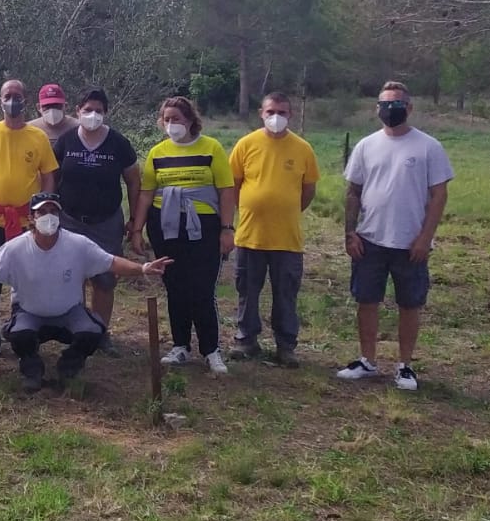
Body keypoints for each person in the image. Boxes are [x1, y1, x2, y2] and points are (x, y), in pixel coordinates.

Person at [0, 193, 172, 391]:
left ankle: (69, 366)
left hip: (69, 312)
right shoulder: (15, 248)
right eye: (42, 212)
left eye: (53, 211)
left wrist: (143, 268)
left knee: (93, 331)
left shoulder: (78, 244)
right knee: (20, 335)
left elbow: (111, 262)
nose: (49, 216)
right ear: (31, 217)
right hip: (30, 312)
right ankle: (32, 370)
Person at [338, 81, 452, 391]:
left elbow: (439, 196)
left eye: (397, 104)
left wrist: (425, 238)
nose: (391, 110)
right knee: (366, 300)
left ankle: (405, 366)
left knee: (409, 304)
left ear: (409, 108)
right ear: (377, 108)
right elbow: (353, 191)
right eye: (385, 104)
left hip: (410, 243)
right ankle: (367, 361)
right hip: (370, 240)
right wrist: (350, 233)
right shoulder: (366, 146)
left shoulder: (428, 147)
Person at [132, 95, 237, 374]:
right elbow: (146, 193)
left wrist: (227, 229)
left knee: (202, 288)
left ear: (190, 120)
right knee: (175, 286)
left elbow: (226, 190)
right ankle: (180, 345)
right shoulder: (157, 152)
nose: (171, 124)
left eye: (176, 119)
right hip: (165, 226)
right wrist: (137, 229)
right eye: (166, 119)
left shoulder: (211, 148)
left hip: (204, 226)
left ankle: (211, 349)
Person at [227, 91, 320, 368]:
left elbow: (308, 189)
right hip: (250, 236)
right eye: (271, 112)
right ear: (261, 113)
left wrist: (286, 208)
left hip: (287, 239)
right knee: (247, 291)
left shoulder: (302, 148)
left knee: (286, 294)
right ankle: (246, 340)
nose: (276, 117)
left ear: (290, 114)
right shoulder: (246, 144)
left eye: (282, 112)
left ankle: (286, 346)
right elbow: (232, 185)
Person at [0, 79, 59, 355]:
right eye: (8, 96)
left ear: (25, 100)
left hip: (26, 222)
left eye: (17, 96)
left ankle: (23, 333)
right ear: (0, 100)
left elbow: (48, 177)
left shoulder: (38, 137)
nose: (12, 100)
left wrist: (43, 213)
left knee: (27, 278)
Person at [51, 88, 140, 356]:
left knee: (104, 278)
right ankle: (78, 329)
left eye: (98, 111)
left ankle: (100, 331)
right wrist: (49, 211)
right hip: (70, 220)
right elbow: (52, 177)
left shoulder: (118, 143)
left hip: (106, 221)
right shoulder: (66, 141)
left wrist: (135, 220)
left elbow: (134, 181)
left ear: (106, 113)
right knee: (72, 277)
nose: (93, 115)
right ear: (77, 111)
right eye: (88, 110)